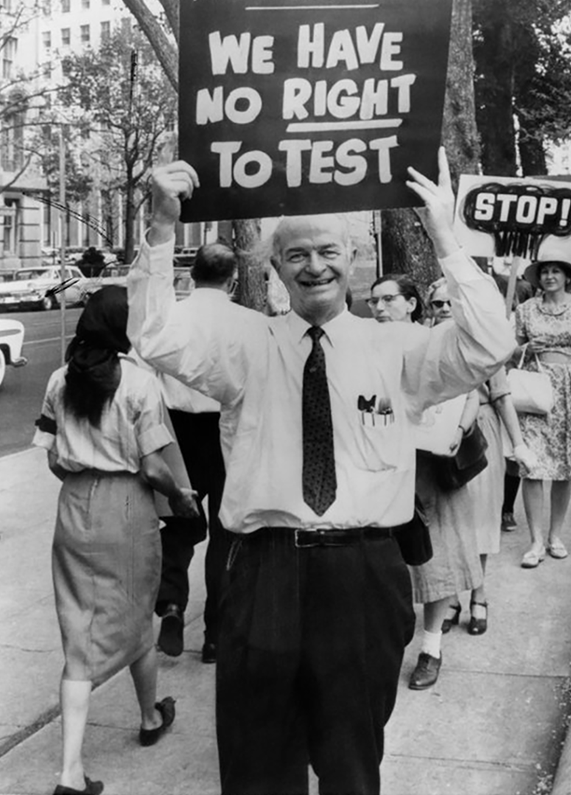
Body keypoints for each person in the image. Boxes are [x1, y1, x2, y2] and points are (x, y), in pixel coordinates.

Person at [126, 150, 516, 795]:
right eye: (298, 253)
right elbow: (156, 334)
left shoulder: (400, 349)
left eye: (329, 250)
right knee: (258, 762)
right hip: (263, 569)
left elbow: (489, 343)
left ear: (354, 260)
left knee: (352, 759)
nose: (315, 265)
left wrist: (445, 232)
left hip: (363, 572)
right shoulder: (244, 342)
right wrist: (163, 227)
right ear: (275, 267)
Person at [32, 287, 198, 795]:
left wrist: (85, 483)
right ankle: (147, 719)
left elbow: (53, 455)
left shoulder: (61, 379)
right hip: (127, 507)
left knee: (78, 631)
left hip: (74, 505)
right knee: (136, 614)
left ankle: (72, 769)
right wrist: (182, 494)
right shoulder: (139, 383)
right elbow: (152, 465)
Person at [369, 275, 483, 689]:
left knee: (438, 556)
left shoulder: (435, 342)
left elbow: (470, 389)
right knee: (385, 561)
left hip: (432, 465)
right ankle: (388, 638)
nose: (379, 308)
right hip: (384, 466)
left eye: (388, 300)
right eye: (373, 301)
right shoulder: (366, 347)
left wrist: (459, 429)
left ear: (413, 304)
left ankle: (431, 647)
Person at [154, 243, 235, 663]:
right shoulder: (247, 323)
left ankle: (170, 601)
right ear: (233, 279)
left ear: (192, 276)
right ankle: (216, 635)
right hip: (225, 432)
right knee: (225, 536)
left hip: (177, 430)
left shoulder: (170, 320)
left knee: (178, 524)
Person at [515, 248, 571, 568]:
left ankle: (555, 535)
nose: (549, 276)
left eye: (556, 271)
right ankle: (535, 541)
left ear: (567, 276)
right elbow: (510, 353)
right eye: (544, 271)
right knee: (533, 465)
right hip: (535, 389)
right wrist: (526, 347)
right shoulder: (525, 310)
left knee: (565, 465)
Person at [445, 365, 535, 636]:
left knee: (482, 513)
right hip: (444, 423)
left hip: (481, 426)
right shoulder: (434, 330)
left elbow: (502, 396)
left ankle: (478, 593)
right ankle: (449, 596)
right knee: (448, 513)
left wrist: (519, 445)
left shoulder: (487, 339)